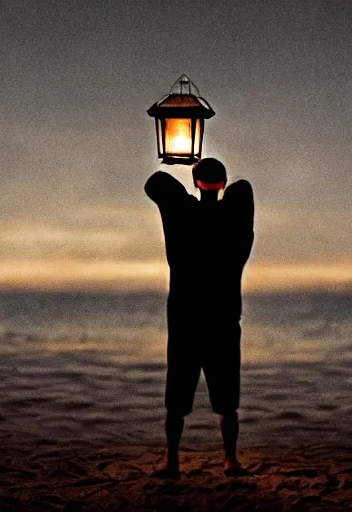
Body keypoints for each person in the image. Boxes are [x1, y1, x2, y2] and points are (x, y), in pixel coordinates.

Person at [144, 158, 254, 479]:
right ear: (221, 184)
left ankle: (172, 459)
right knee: (227, 400)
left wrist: (185, 161)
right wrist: (210, 184)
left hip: (185, 323)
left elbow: (155, 183)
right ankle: (230, 459)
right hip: (222, 322)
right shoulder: (235, 223)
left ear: (195, 182)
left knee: (176, 400)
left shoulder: (182, 215)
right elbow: (242, 190)